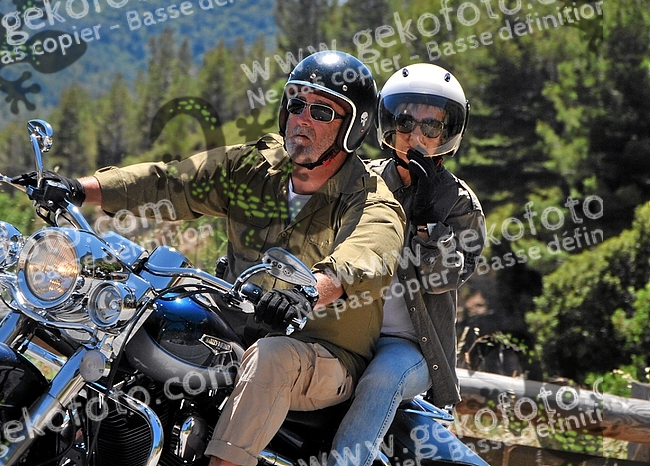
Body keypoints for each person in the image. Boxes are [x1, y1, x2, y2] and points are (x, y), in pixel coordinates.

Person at [30, 51, 406, 466]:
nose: (303, 119)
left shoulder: (371, 200)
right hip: (240, 325)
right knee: (146, 314)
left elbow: (364, 259)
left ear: (353, 128)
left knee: (271, 359)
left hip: (323, 355)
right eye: (296, 104)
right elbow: (171, 182)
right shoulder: (253, 168)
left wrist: (306, 293)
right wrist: (79, 189)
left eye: (321, 112)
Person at [328, 63, 486, 466]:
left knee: (382, 378)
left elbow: (443, 279)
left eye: (431, 126)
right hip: (348, 330)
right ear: (389, 125)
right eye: (405, 122)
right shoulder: (361, 181)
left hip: (411, 347)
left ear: (448, 132)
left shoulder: (459, 203)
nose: (416, 136)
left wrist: (429, 225)